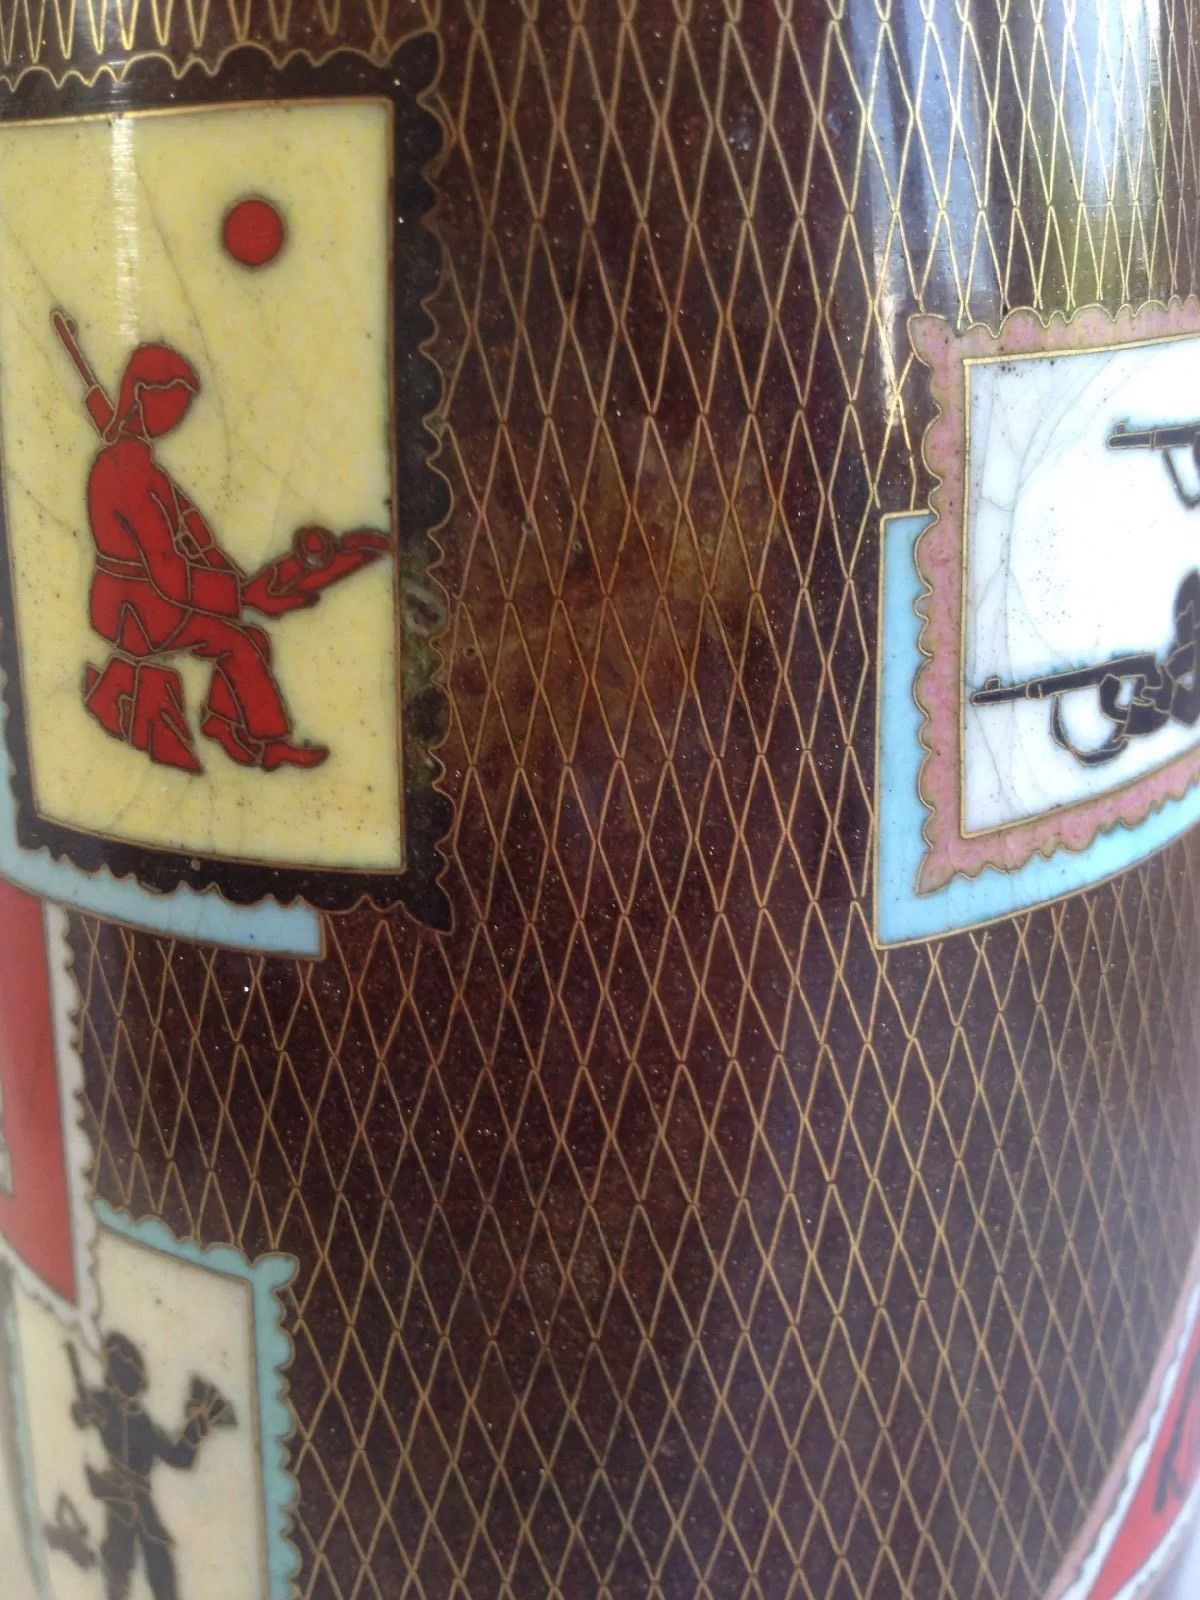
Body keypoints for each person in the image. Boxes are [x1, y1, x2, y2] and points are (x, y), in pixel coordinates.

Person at [83, 342, 329, 772]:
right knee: (238, 642)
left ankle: (224, 724)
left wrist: (244, 585)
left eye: (182, 409)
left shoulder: (141, 465)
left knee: (252, 639)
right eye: (171, 405)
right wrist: (242, 595)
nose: (176, 418)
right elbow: (168, 572)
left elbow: (194, 537)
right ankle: (270, 744)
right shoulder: (127, 470)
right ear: (140, 396)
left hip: (151, 597)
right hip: (135, 607)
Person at [65, 1332, 234, 1600]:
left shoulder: (143, 1422)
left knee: (159, 1568)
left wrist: (197, 1427)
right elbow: (79, 1414)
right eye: (122, 1372)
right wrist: (85, 1411)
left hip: (141, 1504)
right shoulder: (105, 1405)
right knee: (118, 1570)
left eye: (131, 1374)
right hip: (118, 1499)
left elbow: (180, 1458)